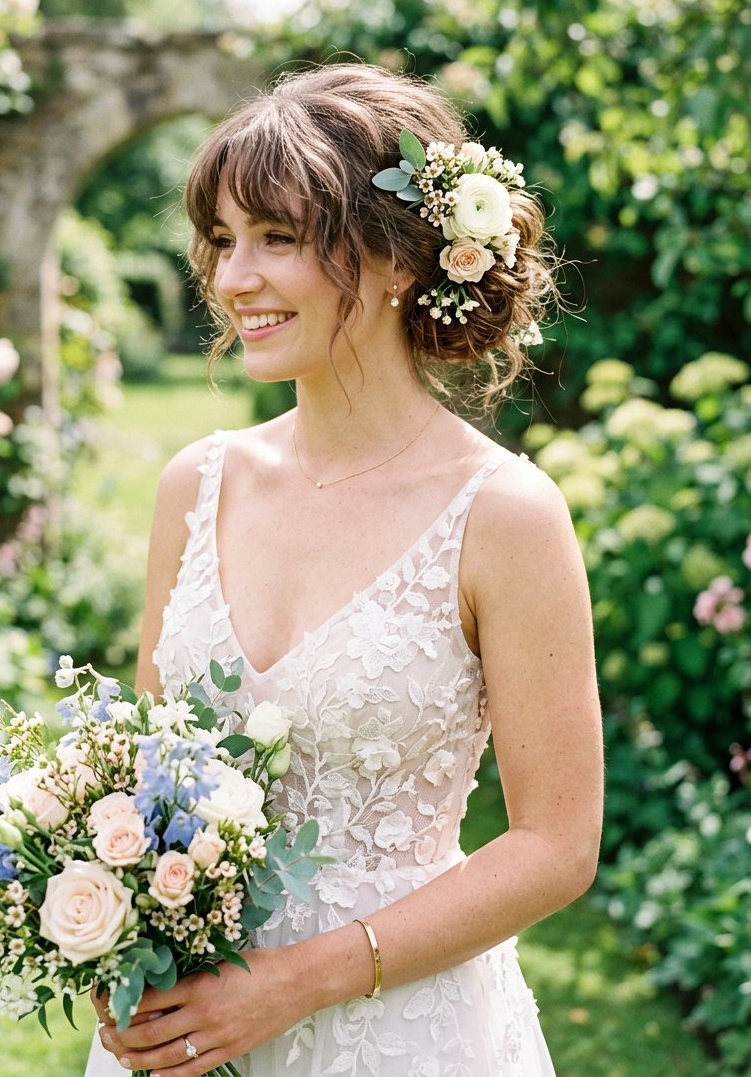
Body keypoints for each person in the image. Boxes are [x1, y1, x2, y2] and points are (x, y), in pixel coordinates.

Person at [85, 63, 603, 1077]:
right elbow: (142, 782)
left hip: (404, 1030)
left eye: (277, 240)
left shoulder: (502, 516)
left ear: (401, 260)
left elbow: (554, 843)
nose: (233, 280)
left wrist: (298, 981)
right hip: (184, 1031)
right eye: (223, 241)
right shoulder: (194, 485)